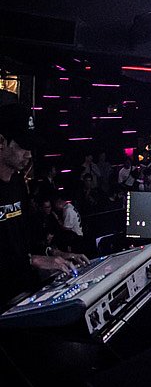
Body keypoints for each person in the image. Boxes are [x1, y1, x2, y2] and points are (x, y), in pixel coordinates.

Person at [0, 103, 89, 305]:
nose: (29, 154)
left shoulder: (17, 184)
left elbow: (24, 240)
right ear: (1, 142)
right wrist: (33, 260)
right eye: (23, 146)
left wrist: (54, 253)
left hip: (24, 292)